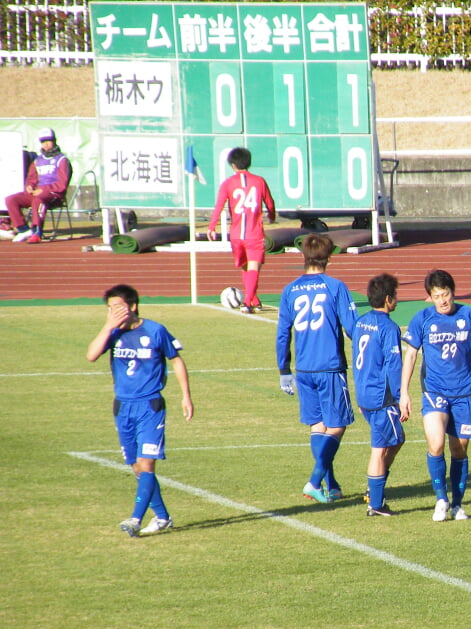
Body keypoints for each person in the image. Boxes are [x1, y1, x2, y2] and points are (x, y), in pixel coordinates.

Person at [85, 284, 194, 537]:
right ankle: (163, 517)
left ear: (133, 307)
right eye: (110, 308)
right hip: (122, 406)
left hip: (149, 406)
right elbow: (91, 355)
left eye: (118, 307)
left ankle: (135, 518)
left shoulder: (155, 330)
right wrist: (108, 326)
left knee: (146, 464)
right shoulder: (112, 333)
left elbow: (176, 360)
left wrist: (186, 397)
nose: (113, 312)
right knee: (135, 466)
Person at [400, 269, 471, 522]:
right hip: (434, 391)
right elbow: (411, 354)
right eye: (437, 296)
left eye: (445, 294)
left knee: (459, 449)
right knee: (436, 444)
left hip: (464, 394)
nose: (442, 300)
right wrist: (404, 392)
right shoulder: (422, 319)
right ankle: (441, 500)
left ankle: (458, 505)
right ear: (430, 297)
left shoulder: (469, 314)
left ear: (453, 292)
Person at [276, 233, 358, 504]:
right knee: (338, 426)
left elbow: (282, 332)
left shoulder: (290, 289)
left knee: (318, 426)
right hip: (330, 367)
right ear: (328, 257)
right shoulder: (335, 287)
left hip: (304, 369)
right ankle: (314, 481)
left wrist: (284, 369)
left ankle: (331, 484)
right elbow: (351, 328)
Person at [353, 273, 406, 517]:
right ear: (388, 299)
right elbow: (394, 366)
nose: (397, 300)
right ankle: (375, 501)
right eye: (395, 296)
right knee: (380, 447)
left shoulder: (361, 322)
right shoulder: (389, 327)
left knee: (396, 440)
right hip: (382, 397)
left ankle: (376, 487)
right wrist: (400, 397)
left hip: (365, 393)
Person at [207, 146, 276, 313]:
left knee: (246, 266)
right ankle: (247, 302)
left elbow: (219, 206)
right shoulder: (259, 181)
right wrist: (272, 216)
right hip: (254, 233)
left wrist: (212, 226)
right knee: (253, 267)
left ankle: (254, 299)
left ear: (233, 165)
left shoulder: (228, 184)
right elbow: (270, 203)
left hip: (236, 235)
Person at [3, 128, 70, 244]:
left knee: (38, 200)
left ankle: (36, 232)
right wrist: (29, 186)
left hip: (54, 194)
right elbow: (31, 179)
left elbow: (62, 184)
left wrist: (44, 190)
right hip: (37, 193)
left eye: (49, 141)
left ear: (54, 141)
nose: (46, 144)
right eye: (43, 141)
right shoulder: (38, 160)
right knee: (11, 199)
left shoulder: (62, 160)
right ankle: (23, 229)